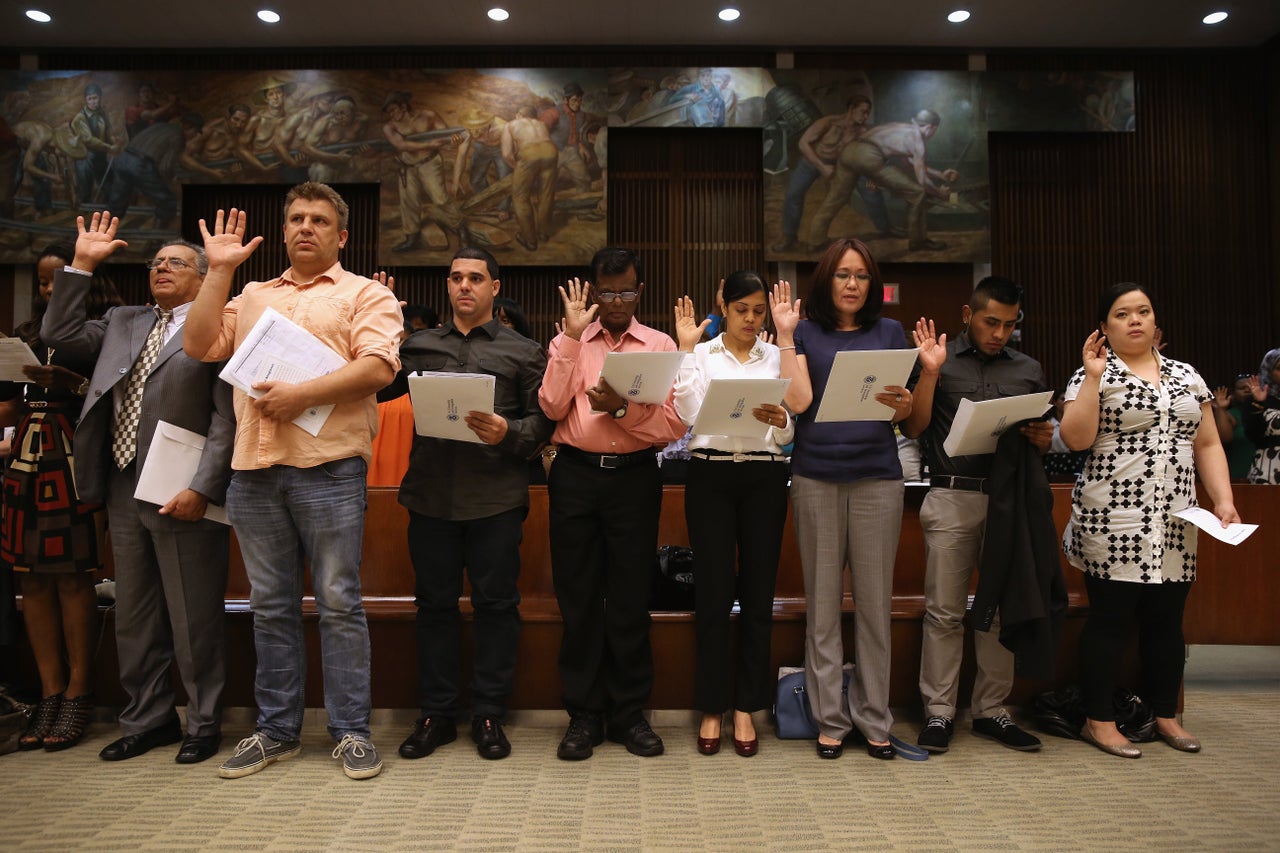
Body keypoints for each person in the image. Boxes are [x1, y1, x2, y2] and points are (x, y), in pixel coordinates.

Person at [183, 182, 404, 780]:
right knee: (270, 607)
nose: (307, 227)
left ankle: (351, 731)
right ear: (283, 231)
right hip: (253, 472)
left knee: (338, 603)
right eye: (297, 219)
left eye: (320, 220)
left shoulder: (366, 294)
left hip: (330, 469)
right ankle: (275, 730)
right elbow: (198, 343)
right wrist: (218, 271)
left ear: (341, 235)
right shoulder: (251, 293)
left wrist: (301, 395)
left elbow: (379, 366)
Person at [41, 214, 234, 765]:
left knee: (193, 615)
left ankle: (203, 723)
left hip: (184, 488)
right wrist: (82, 265)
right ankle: (148, 719)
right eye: (156, 264)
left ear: (202, 277)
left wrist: (204, 486)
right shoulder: (122, 320)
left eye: (176, 262)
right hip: (124, 484)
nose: (162, 270)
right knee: (135, 613)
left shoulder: (217, 326)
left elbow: (226, 420)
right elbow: (58, 336)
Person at [385, 248, 553, 762]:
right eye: (456, 278)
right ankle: (436, 713)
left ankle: (488, 713)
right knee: (433, 607)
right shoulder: (416, 346)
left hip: (496, 498)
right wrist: (378, 329)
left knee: (496, 607)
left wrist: (509, 432)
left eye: (475, 278)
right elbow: (371, 389)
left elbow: (543, 423)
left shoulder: (523, 351)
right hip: (431, 495)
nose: (464, 286)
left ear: (494, 288)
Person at [1059, 283, 1240, 758]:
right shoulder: (1091, 374)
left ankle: (1165, 715)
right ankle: (1098, 721)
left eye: (1143, 311)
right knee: (1110, 620)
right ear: (1104, 327)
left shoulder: (1187, 376)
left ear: (1156, 322)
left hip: (1176, 518)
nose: (1135, 320)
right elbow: (1074, 440)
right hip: (1113, 516)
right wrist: (1095, 379)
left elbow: (1207, 445)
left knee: (1167, 621)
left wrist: (1223, 500)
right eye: (1122, 314)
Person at [538, 247, 686, 760]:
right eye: (608, 292)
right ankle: (583, 715)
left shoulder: (659, 345)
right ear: (593, 292)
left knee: (629, 598)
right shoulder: (570, 340)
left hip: (636, 478)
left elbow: (672, 427)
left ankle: (628, 714)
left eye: (626, 291)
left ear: (639, 292)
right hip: (576, 476)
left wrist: (622, 409)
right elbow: (552, 407)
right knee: (578, 599)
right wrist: (572, 339)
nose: (618, 301)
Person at [770, 237, 913, 760]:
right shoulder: (804, 332)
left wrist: (906, 402)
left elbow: (904, 415)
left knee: (875, 606)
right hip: (815, 477)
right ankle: (831, 719)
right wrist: (786, 336)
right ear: (826, 280)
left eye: (861, 276)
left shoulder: (890, 331)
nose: (852, 284)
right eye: (842, 275)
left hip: (878, 477)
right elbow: (799, 401)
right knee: (823, 605)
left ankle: (875, 718)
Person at [901, 276, 1052, 754]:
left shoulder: (1028, 369)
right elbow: (913, 425)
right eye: (991, 322)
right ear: (968, 315)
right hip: (952, 494)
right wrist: (928, 373)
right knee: (945, 612)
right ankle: (940, 713)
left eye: (1009, 325)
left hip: (1011, 501)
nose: (999, 333)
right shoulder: (940, 361)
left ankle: (991, 711)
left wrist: (1044, 438)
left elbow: (1040, 434)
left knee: (1001, 609)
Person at [1, 242, 121, 752]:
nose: (50, 292)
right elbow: (7, 408)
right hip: (24, 461)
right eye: (44, 283)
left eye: (59, 282)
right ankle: (48, 691)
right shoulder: (27, 335)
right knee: (30, 578)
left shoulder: (106, 332)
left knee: (73, 578)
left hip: (73, 461)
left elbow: (120, 402)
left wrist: (72, 386)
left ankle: (78, 690)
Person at [671, 271, 792, 757]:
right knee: (714, 597)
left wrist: (784, 422)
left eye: (758, 311)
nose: (750, 319)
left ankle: (746, 707)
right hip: (711, 476)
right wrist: (683, 350)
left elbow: (787, 432)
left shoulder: (777, 356)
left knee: (759, 597)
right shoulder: (701, 353)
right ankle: (712, 706)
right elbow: (687, 413)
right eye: (742, 309)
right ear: (724, 305)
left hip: (765, 477)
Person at [806, 110, 957, 253]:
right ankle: (918, 241)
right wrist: (940, 193)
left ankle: (815, 241)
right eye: (935, 130)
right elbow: (922, 182)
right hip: (868, 156)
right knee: (917, 193)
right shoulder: (918, 140)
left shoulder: (903, 129)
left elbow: (910, 163)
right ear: (930, 127)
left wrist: (941, 175)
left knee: (836, 198)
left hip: (850, 152)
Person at [1211, 373, 1257, 480]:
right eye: (1242, 388)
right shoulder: (1231, 414)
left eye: (1251, 387)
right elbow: (1225, 438)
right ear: (1233, 393)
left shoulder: (1268, 413)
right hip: (1238, 475)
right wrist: (1221, 409)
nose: (1247, 390)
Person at [1243, 348, 1280, 484]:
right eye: (1279, 368)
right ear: (1269, 371)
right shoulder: (1257, 398)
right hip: (1269, 468)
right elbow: (1252, 434)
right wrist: (1258, 403)